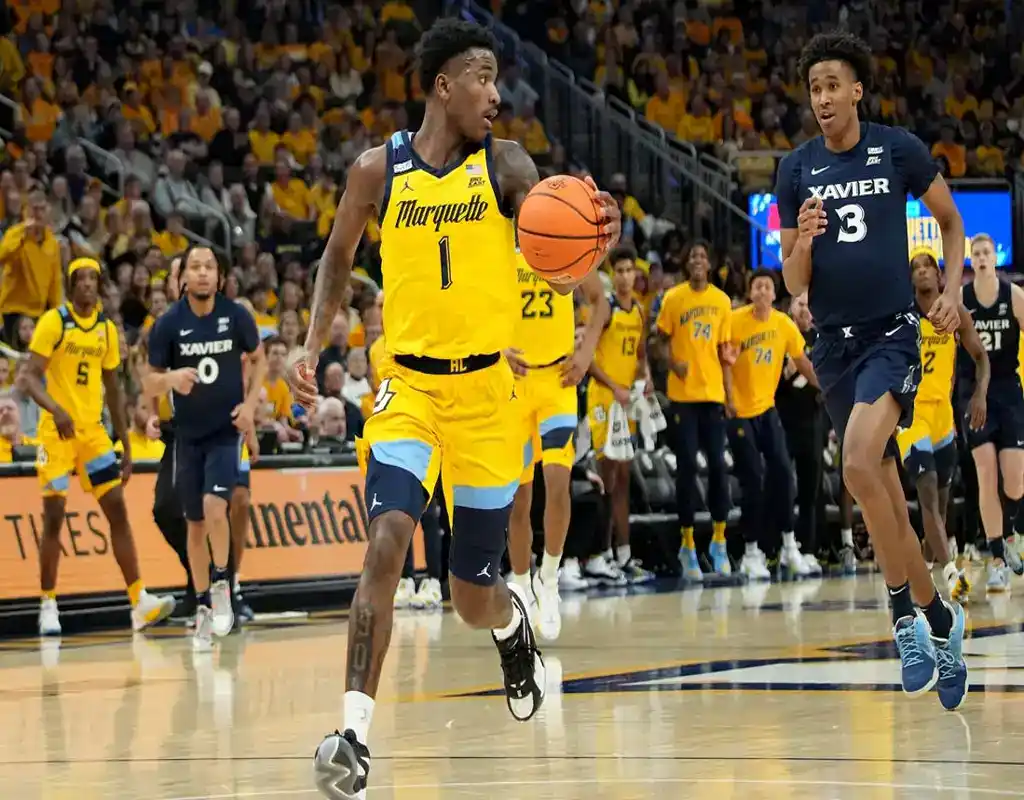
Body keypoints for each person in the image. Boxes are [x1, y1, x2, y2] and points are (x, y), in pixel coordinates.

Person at [285, 19, 620, 800]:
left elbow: (554, 246)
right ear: (443, 85)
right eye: (483, 77)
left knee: (471, 595)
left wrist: (586, 236)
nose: (497, 94)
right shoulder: (377, 171)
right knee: (386, 543)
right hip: (406, 388)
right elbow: (337, 257)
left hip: (487, 401)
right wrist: (310, 344)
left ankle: (512, 632)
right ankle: (353, 736)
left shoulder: (506, 165)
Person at [778, 32, 967, 711]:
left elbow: (949, 220)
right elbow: (792, 277)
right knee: (882, 495)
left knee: (857, 463)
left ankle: (900, 621)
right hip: (832, 347)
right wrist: (801, 237)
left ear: (857, 89)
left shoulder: (897, 149)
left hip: (890, 336)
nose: (823, 97)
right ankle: (940, 622)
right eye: (814, 88)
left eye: (833, 84)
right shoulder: (795, 169)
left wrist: (949, 290)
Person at [19, 257, 175, 635]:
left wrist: (124, 441)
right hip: (55, 433)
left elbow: (114, 387)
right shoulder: (54, 322)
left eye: (93, 278)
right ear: (70, 286)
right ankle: (48, 603)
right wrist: (55, 409)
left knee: (117, 511)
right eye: (80, 279)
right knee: (54, 516)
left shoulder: (106, 329)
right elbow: (27, 378)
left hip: (91, 433)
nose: (87, 284)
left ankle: (139, 601)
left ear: (100, 285)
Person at [145, 246, 267, 651]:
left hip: (223, 433)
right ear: (182, 277)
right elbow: (149, 381)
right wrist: (171, 379)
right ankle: (201, 607)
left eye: (209, 267)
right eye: (194, 267)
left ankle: (221, 582)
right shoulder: (167, 325)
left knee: (219, 507)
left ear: (220, 276)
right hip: (186, 437)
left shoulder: (236, 316)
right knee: (194, 524)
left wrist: (250, 407)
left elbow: (259, 359)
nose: (201, 274)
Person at [507, 250, 609, 639]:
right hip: (514, 385)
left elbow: (600, 301)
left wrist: (585, 353)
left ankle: (548, 578)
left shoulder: (563, 246)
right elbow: (474, 312)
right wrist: (498, 349)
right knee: (519, 496)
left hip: (557, 382)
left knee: (558, 481)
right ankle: (521, 584)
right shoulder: (501, 255)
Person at [896, 250, 986, 602]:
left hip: (944, 418)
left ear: (939, 275)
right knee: (929, 497)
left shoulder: (954, 313)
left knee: (941, 509)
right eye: (915, 268)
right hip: (912, 417)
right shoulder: (902, 318)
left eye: (927, 267)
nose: (922, 272)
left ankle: (917, 584)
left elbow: (980, 356)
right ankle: (953, 576)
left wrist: (980, 393)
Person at [728, 269, 819, 580]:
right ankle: (751, 552)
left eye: (767, 286)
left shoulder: (783, 323)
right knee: (753, 479)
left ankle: (789, 546)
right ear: (750, 291)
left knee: (783, 471)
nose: (763, 291)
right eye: (758, 286)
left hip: (767, 410)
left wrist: (825, 387)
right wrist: (728, 400)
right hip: (739, 412)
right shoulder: (735, 321)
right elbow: (724, 361)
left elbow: (803, 361)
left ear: (774, 292)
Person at [653, 240, 734, 582]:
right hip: (683, 397)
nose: (698, 260)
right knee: (686, 468)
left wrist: (730, 397)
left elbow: (725, 351)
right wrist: (673, 362)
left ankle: (719, 540)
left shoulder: (722, 301)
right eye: (693, 257)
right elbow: (656, 341)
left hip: (712, 395)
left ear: (710, 263)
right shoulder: (673, 299)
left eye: (703, 255)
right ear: (687, 265)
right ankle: (687, 544)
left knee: (717, 466)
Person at [583, 245, 653, 586]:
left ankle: (624, 555)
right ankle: (602, 552)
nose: (625, 276)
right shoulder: (605, 309)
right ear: (611, 275)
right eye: (619, 270)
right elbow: (588, 360)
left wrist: (646, 379)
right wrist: (615, 387)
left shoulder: (638, 310)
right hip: (603, 401)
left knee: (624, 479)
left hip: (626, 404)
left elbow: (640, 354)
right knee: (606, 479)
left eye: (630, 270)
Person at [959, 233, 1024, 593]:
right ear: (971, 259)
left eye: (987, 252)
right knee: (986, 474)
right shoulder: (961, 299)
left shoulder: (1013, 296)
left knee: (1014, 481)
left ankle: (1013, 532)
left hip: (1008, 390)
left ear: (995, 257)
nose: (982, 258)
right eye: (976, 253)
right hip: (974, 393)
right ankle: (997, 559)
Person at [776, 293, 836, 569]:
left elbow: (829, 381)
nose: (804, 310)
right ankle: (780, 547)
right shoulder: (780, 338)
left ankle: (809, 548)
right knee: (783, 486)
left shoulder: (823, 340)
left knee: (812, 488)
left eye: (809, 305)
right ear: (790, 308)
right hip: (784, 420)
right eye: (799, 304)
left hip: (813, 421)